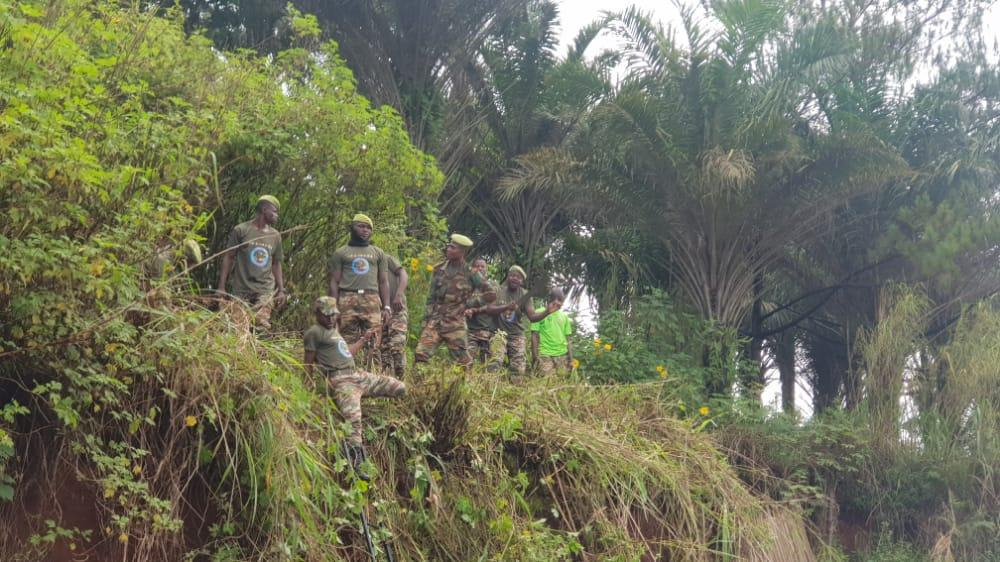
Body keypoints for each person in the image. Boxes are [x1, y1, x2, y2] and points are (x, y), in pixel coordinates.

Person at [303, 296, 406, 478]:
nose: (330, 319)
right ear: (318, 314)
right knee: (354, 420)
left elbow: (346, 353)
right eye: (326, 315)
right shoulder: (314, 333)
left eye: (333, 315)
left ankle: (369, 402)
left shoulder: (334, 331)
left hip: (357, 374)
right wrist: (308, 391)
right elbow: (308, 364)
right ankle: (356, 460)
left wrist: (363, 340)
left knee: (398, 387)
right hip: (342, 380)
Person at [414, 234, 493, 369]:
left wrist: (469, 304)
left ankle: (464, 387)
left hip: (455, 324)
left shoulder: (471, 273)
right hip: (436, 322)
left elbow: (491, 295)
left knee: (463, 364)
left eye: (453, 248)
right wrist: (426, 321)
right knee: (421, 355)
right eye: (449, 246)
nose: (448, 249)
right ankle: (417, 387)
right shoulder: (439, 269)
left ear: (462, 252)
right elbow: (431, 298)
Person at [216, 195, 287, 330]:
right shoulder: (241, 230)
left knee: (261, 326)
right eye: (275, 211)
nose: (277, 215)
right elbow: (229, 257)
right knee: (237, 327)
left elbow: (276, 264)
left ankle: (260, 351)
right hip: (241, 289)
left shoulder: (275, 236)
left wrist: (281, 289)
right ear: (264, 209)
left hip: (265, 289)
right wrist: (221, 287)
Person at [328, 213, 390, 366]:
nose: (365, 230)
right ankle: (347, 376)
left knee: (374, 343)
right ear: (352, 228)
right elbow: (334, 282)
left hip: (371, 300)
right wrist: (333, 307)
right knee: (346, 342)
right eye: (361, 226)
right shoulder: (341, 253)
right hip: (347, 300)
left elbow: (383, 281)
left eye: (368, 228)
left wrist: (387, 306)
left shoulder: (378, 253)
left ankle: (374, 379)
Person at [480, 265, 558, 378]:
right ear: (508, 277)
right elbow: (489, 309)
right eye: (512, 275)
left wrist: (547, 311)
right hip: (498, 333)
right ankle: (489, 390)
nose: (515, 278)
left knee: (518, 369)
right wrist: (506, 307)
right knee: (494, 363)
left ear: (521, 281)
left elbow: (532, 317)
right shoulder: (497, 290)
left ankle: (514, 390)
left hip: (516, 335)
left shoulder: (525, 295)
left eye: (518, 277)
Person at [464, 258, 499, 365]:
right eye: (477, 266)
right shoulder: (467, 286)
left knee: (488, 364)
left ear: (486, 270)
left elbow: (494, 305)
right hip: (471, 331)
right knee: (466, 362)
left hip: (488, 331)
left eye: (482, 266)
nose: (479, 268)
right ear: (472, 269)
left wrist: (474, 309)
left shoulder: (493, 285)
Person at [379, 252, 409, 378]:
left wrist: (399, 294)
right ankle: (389, 387)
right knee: (384, 352)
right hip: (379, 311)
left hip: (397, 308)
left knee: (397, 346)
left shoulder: (385, 258)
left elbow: (403, 274)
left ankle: (401, 381)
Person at [530, 288, 573, 375]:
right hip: (545, 355)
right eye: (555, 299)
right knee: (545, 382)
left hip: (562, 355)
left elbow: (568, 339)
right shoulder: (539, 313)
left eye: (561, 300)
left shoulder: (564, 317)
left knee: (561, 382)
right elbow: (534, 335)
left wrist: (571, 359)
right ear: (550, 299)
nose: (557, 303)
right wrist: (535, 356)